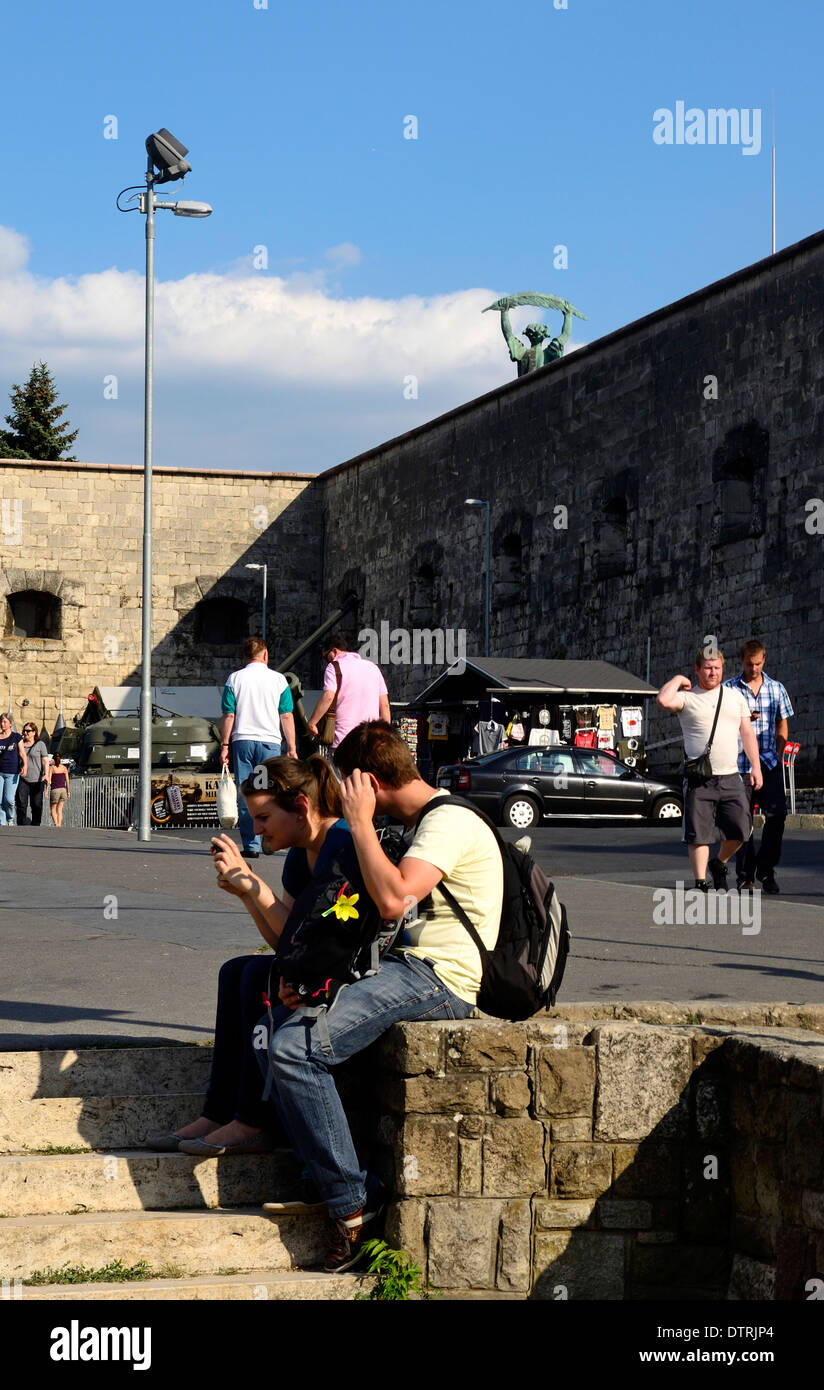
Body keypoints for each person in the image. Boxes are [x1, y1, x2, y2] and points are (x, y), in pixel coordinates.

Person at [262, 719, 503, 1274]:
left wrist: (361, 823)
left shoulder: (448, 822)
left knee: (297, 1049)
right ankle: (322, 1176)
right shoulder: (423, 822)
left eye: (349, 785)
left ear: (368, 782)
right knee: (284, 1015)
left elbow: (394, 901)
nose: (343, 796)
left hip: (441, 980)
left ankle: (354, 1207)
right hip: (404, 967)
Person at [146, 755, 359, 1161]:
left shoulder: (340, 845)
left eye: (263, 818)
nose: (256, 829)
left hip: (351, 972)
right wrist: (248, 894)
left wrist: (255, 885)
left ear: (301, 808)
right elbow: (286, 942)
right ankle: (219, 1112)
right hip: (319, 963)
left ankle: (253, 1120)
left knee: (255, 978)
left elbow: (305, 944)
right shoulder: (301, 852)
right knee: (237, 971)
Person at [657, 649, 762, 890]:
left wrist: (756, 767)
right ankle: (701, 881)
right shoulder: (687, 698)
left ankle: (719, 861)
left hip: (731, 776)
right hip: (699, 778)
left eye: (717, 668)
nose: (712, 672)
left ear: (723, 669)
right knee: (699, 833)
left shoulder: (735, 697)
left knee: (741, 830)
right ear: (697, 669)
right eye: (707, 667)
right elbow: (663, 700)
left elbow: (747, 733)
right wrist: (677, 680)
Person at [725, 640, 794, 894]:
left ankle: (766, 868)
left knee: (777, 816)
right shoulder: (729, 689)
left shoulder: (776, 689)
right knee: (741, 823)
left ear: (764, 660)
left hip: (768, 763)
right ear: (741, 661)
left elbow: (782, 724)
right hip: (739, 765)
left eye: (758, 664)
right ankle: (745, 875)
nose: (753, 668)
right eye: (749, 664)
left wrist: (778, 752)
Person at [220, 637, 298, 859]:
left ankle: (251, 844)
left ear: (245, 657)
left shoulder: (234, 679)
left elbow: (229, 714)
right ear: (265, 655)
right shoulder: (279, 680)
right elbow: (286, 715)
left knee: (246, 793)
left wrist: (225, 745)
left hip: (242, 741)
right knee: (270, 792)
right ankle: (271, 837)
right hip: (269, 743)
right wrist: (291, 747)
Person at [307, 635, 390, 753]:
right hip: (370, 740)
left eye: (326, 657)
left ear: (335, 650)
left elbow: (328, 696)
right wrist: (385, 736)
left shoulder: (334, 667)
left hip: (344, 739)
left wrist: (312, 722)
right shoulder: (373, 668)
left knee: (342, 771)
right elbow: (385, 706)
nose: (327, 661)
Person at [15, 722, 49, 826]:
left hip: (37, 780)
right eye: (24, 731)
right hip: (23, 779)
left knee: (36, 804)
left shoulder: (40, 744)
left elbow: (45, 761)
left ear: (34, 732)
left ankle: (35, 826)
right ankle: (21, 825)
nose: (25, 733)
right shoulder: (20, 744)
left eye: (28, 731)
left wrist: (46, 774)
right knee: (21, 803)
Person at [0, 714, 26, 825]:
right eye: (1, 721)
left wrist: (25, 765)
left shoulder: (16, 737)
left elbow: (22, 753)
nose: (2, 724)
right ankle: (1, 823)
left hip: (13, 773)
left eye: (5, 722)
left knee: (9, 800)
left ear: (10, 723)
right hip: (0, 772)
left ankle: (10, 819)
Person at [46, 751, 70, 827]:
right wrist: (68, 791)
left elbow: (49, 780)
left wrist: (46, 790)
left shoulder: (52, 768)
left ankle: (56, 825)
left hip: (55, 790)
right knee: (60, 810)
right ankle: (59, 825)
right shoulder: (64, 768)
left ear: (53, 760)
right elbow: (67, 781)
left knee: (53, 809)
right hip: (63, 790)